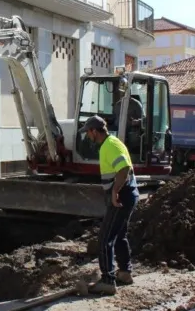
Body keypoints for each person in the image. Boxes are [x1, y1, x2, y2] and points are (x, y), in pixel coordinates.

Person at [80, 115, 139, 294]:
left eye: (88, 132)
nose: (87, 136)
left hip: (121, 197)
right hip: (127, 195)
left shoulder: (109, 146)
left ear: (94, 131)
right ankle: (125, 273)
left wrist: (114, 192)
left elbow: (124, 168)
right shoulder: (112, 142)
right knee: (119, 234)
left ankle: (108, 281)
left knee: (105, 239)